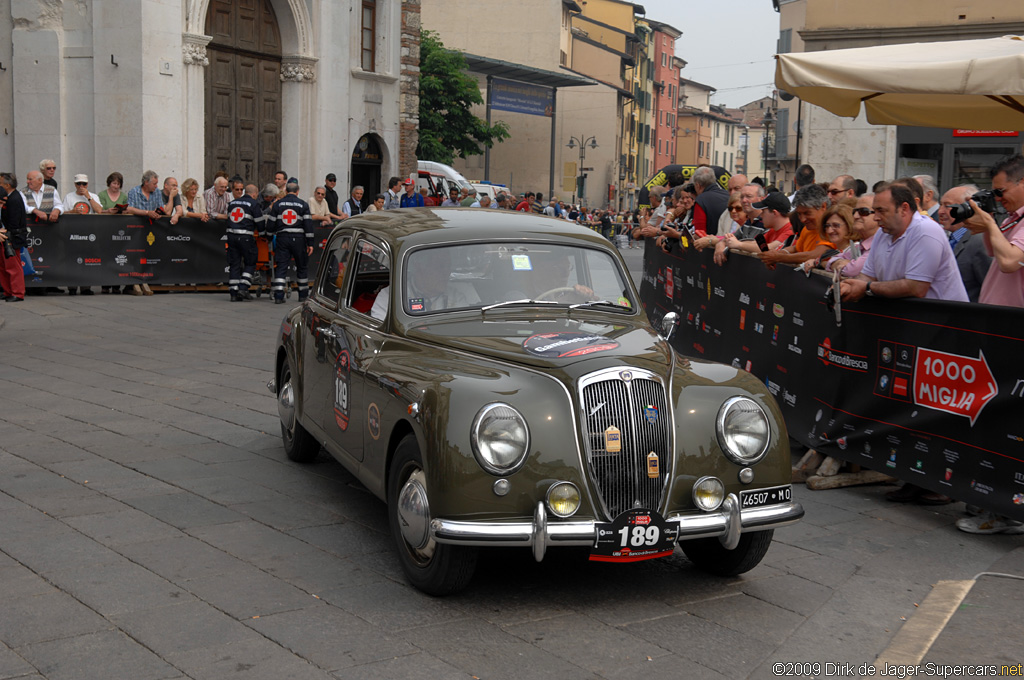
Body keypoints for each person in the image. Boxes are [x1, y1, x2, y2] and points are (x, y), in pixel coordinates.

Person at [955, 155, 1024, 534]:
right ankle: (996, 505)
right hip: (997, 333)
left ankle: (1007, 511)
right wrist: (982, 224)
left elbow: (1012, 261)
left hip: (1013, 338)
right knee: (993, 423)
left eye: (1001, 191)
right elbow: (992, 254)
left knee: (1008, 427)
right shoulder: (1012, 220)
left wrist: (991, 224)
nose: (998, 199)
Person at [839, 183, 968, 303]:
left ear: (904, 208)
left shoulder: (926, 231)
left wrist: (867, 287)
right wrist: (849, 286)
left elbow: (916, 288)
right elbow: (867, 276)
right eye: (874, 210)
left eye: (881, 210)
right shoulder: (882, 233)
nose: (876, 217)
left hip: (944, 321)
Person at [370, 246, 480, 320]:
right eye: (440, 267)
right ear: (420, 268)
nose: (446, 272)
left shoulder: (457, 297)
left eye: (448, 266)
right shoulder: (390, 297)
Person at [758, 184, 834, 269]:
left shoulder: (832, 229)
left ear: (823, 206)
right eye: (799, 214)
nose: (802, 219)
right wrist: (779, 253)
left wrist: (778, 257)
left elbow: (816, 254)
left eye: (807, 213)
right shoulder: (807, 229)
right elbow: (796, 248)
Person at [265, 180, 314, 304]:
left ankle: (279, 296)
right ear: (297, 192)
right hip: (299, 239)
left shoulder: (277, 205)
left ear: (286, 191)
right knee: (302, 266)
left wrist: (269, 237)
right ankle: (303, 295)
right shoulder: (303, 205)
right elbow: (308, 226)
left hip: (283, 238)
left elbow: (271, 223)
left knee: (281, 267)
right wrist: (310, 243)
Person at [225, 183, 264, 302]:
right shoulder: (254, 204)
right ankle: (243, 287)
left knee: (235, 264)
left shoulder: (232, 203)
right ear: (254, 194)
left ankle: (233, 293)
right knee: (251, 262)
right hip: (246, 237)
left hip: (231, 236)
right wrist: (263, 233)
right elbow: (260, 222)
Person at [826, 193, 878, 278]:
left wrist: (846, 265)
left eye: (863, 212)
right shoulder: (861, 245)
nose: (855, 216)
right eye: (855, 211)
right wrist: (838, 263)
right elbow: (830, 261)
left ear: (879, 215)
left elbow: (852, 270)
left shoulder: (879, 244)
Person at [0, 186, 26, 302]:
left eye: (3, 203)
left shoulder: (14, 199)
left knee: (12, 266)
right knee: (3, 267)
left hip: (9, 238)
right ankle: (8, 291)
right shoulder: (13, 198)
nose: (1, 206)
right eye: (0, 203)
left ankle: (17, 292)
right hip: (6, 236)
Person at [692, 166, 729, 237]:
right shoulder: (728, 195)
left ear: (698, 185)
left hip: (709, 244)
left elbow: (699, 232)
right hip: (729, 240)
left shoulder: (701, 200)